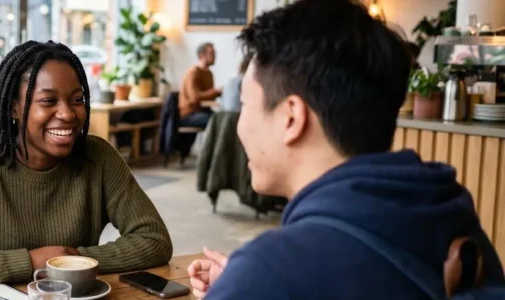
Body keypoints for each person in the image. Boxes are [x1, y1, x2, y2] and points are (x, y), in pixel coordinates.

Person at [188, 0, 505, 299]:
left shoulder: (271, 272)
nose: (240, 126)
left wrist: (253, 282)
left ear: (291, 118)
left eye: (245, 105)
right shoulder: (452, 217)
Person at [0, 41, 173, 293]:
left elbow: (154, 240)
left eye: (77, 100)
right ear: (14, 108)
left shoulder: (98, 157)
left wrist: (71, 260)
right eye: (48, 101)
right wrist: (29, 261)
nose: (67, 113)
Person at [178, 42, 220, 128]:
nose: (215, 56)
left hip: (203, 111)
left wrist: (219, 92)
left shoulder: (209, 73)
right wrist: (215, 91)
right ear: (202, 55)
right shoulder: (193, 73)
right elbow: (194, 98)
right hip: (189, 114)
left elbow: (210, 97)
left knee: (224, 118)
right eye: (211, 53)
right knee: (215, 120)